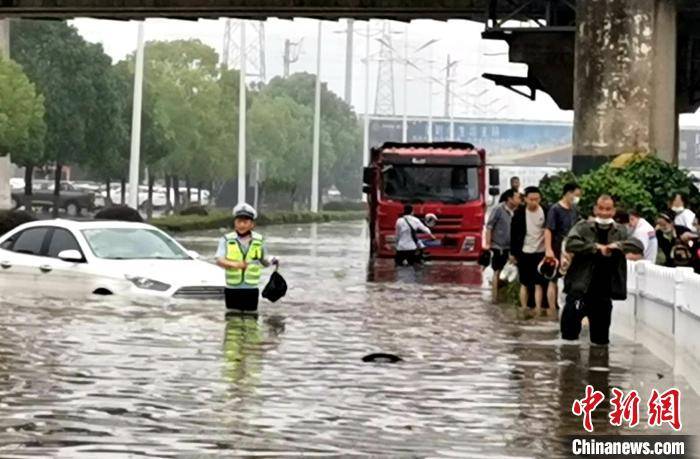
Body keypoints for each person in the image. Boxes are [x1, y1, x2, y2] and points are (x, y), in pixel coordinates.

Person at [560, 195, 642, 345]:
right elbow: (570, 243)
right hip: (580, 288)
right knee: (568, 336)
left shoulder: (621, 231)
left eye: (608, 209)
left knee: (600, 341)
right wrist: (594, 247)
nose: (604, 212)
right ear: (595, 209)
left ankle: (598, 367)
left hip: (604, 291)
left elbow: (637, 245)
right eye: (601, 208)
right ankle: (569, 367)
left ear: (613, 211)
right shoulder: (583, 227)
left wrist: (617, 246)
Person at [216, 203, 278, 313]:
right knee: (232, 321)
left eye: (245, 222)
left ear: (252, 224)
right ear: (235, 223)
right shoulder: (226, 240)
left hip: (251, 289)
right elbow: (219, 260)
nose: (242, 225)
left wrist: (272, 261)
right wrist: (235, 265)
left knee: (252, 320)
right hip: (232, 289)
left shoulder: (259, 240)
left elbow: (264, 261)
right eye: (239, 221)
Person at [544, 182, 582, 308]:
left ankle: (566, 306)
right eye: (576, 195)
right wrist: (548, 249)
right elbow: (548, 229)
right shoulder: (555, 209)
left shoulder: (574, 210)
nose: (577, 198)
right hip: (557, 247)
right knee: (554, 278)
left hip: (571, 248)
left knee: (569, 276)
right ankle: (552, 308)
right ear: (568, 193)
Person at [510, 186, 548, 311]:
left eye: (536, 199)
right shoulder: (519, 213)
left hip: (541, 252)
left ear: (540, 199)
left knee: (539, 283)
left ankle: (538, 309)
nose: (534, 202)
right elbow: (513, 234)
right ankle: (524, 307)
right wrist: (513, 253)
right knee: (524, 282)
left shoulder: (546, 211)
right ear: (525, 199)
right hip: (524, 252)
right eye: (531, 199)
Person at [485, 189, 522, 302]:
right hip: (498, 246)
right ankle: (495, 297)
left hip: (512, 247)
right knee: (498, 270)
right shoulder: (498, 209)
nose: (519, 199)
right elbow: (489, 226)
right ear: (510, 199)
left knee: (510, 272)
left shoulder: (518, 211)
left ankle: (505, 296)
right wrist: (488, 244)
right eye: (517, 197)